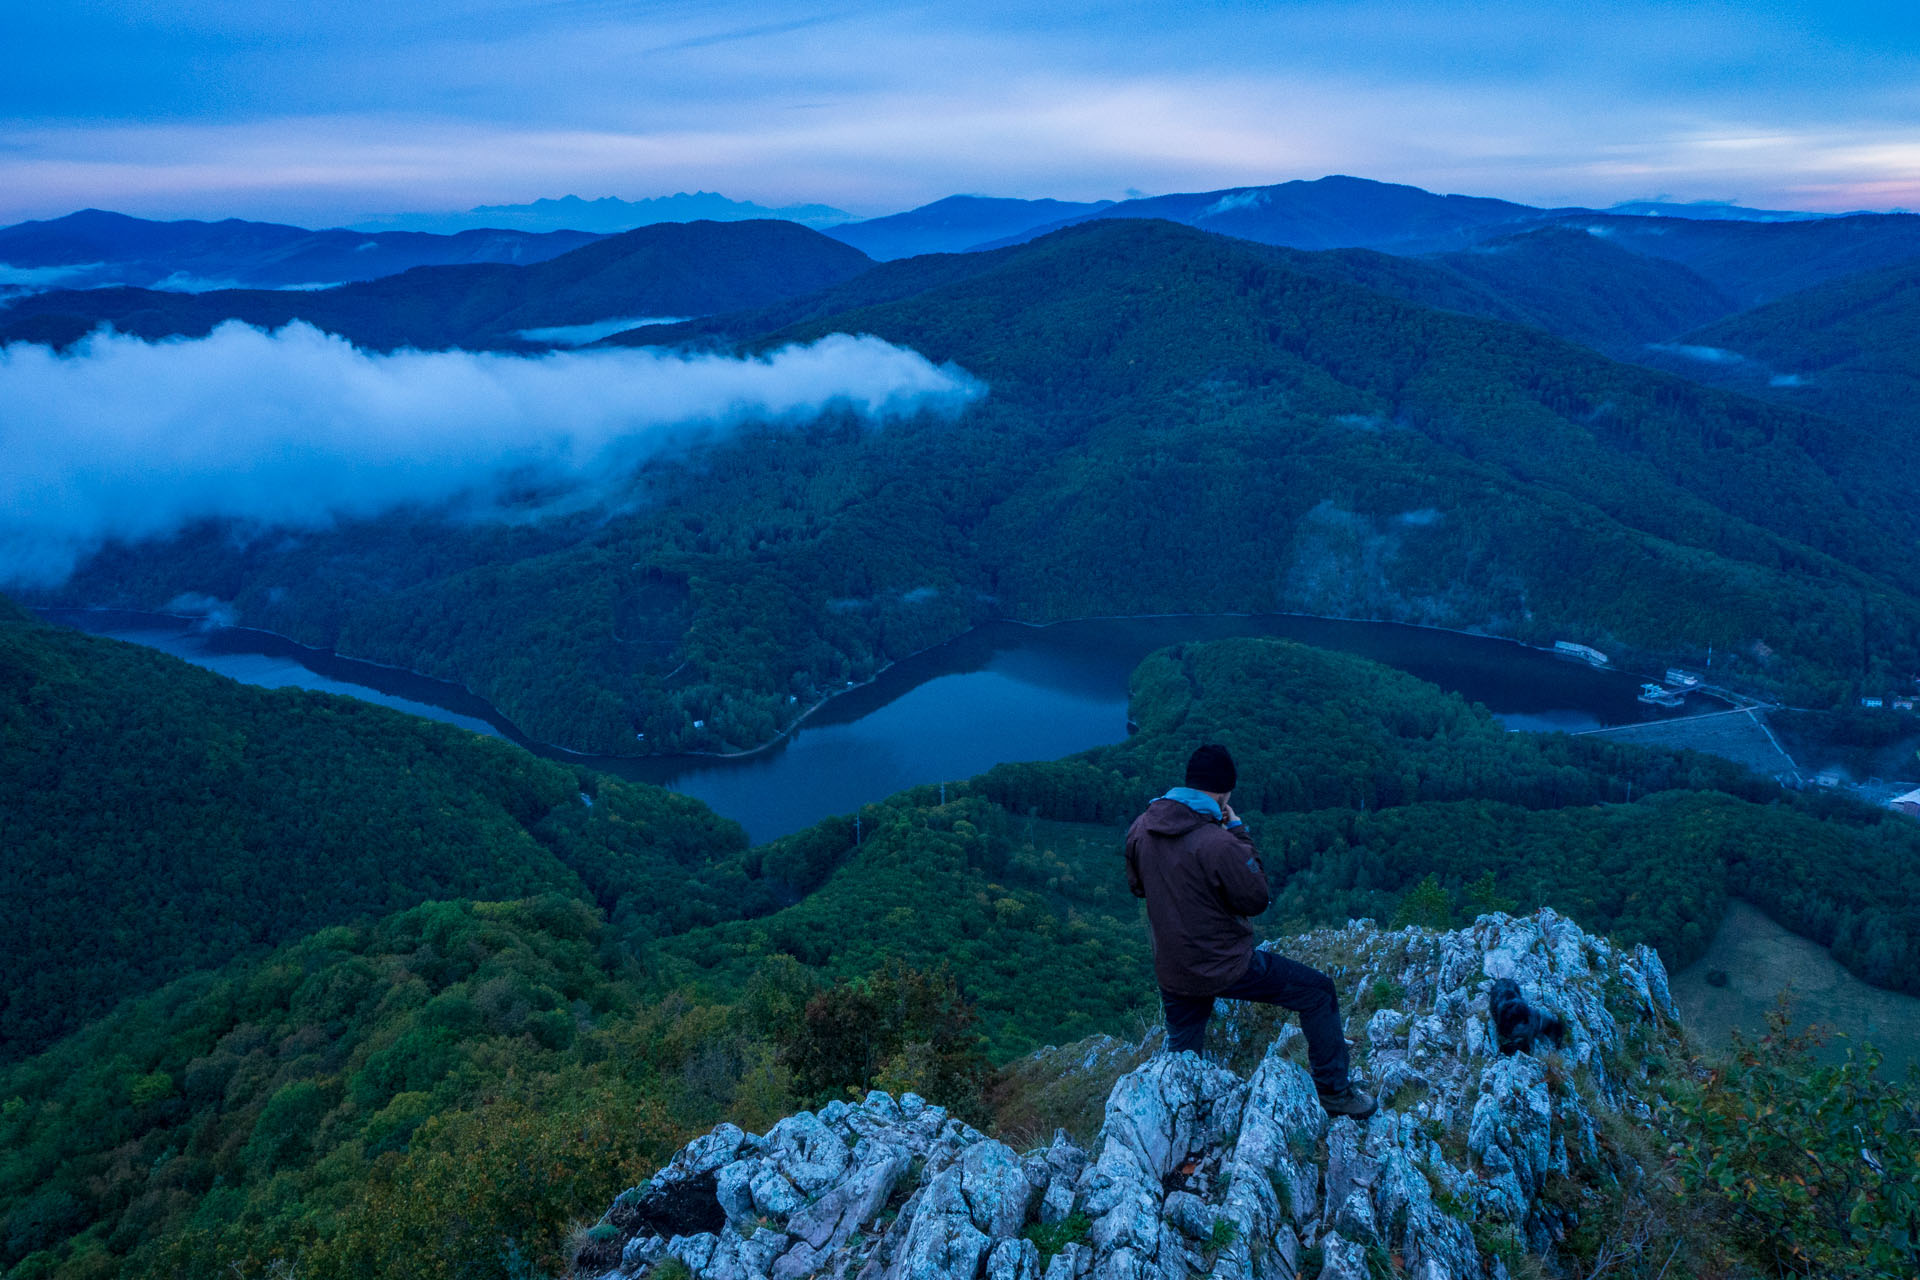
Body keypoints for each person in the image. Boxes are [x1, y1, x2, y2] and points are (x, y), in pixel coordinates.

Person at [1125, 743, 1376, 1118]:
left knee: (1182, 1052)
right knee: (1319, 992)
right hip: (1225, 966)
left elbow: (1139, 886)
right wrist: (1239, 831)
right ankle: (1334, 1093)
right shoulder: (1219, 842)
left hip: (1174, 968)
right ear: (1224, 792)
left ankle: (1169, 1121)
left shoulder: (1140, 829)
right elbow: (1256, 897)